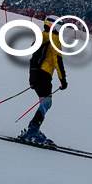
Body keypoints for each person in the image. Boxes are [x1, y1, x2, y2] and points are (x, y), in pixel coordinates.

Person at [19, 15, 68, 145]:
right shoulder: (54, 39)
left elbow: (34, 58)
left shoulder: (41, 37)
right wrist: (63, 80)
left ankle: (33, 128)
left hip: (34, 75)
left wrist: (32, 80)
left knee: (45, 102)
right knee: (46, 103)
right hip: (44, 75)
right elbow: (58, 61)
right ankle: (33, 131)